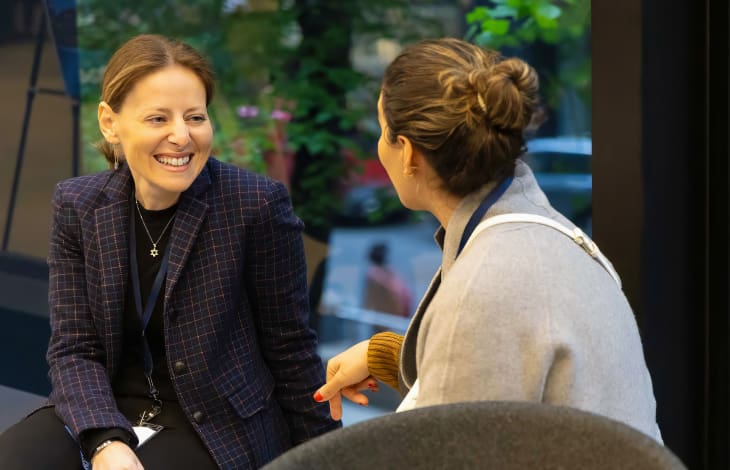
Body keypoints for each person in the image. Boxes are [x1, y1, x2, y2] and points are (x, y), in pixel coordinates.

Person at [0, 34, 339, 470]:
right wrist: (104, 441)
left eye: (195, 116)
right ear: (109, 121)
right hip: (105, 404)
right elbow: (73, 349)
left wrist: (330, 456)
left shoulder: (254, 206)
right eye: (158, 118)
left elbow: (290, 350)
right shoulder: (78, 204)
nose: (181, 136)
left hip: (212, 421)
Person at [313, 37, 663, 443]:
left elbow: (453, 454)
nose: (379, 147)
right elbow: (525, 372)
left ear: (408, 153)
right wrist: (392, 356)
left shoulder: (485, 282)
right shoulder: (551, 234)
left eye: (382, 130)